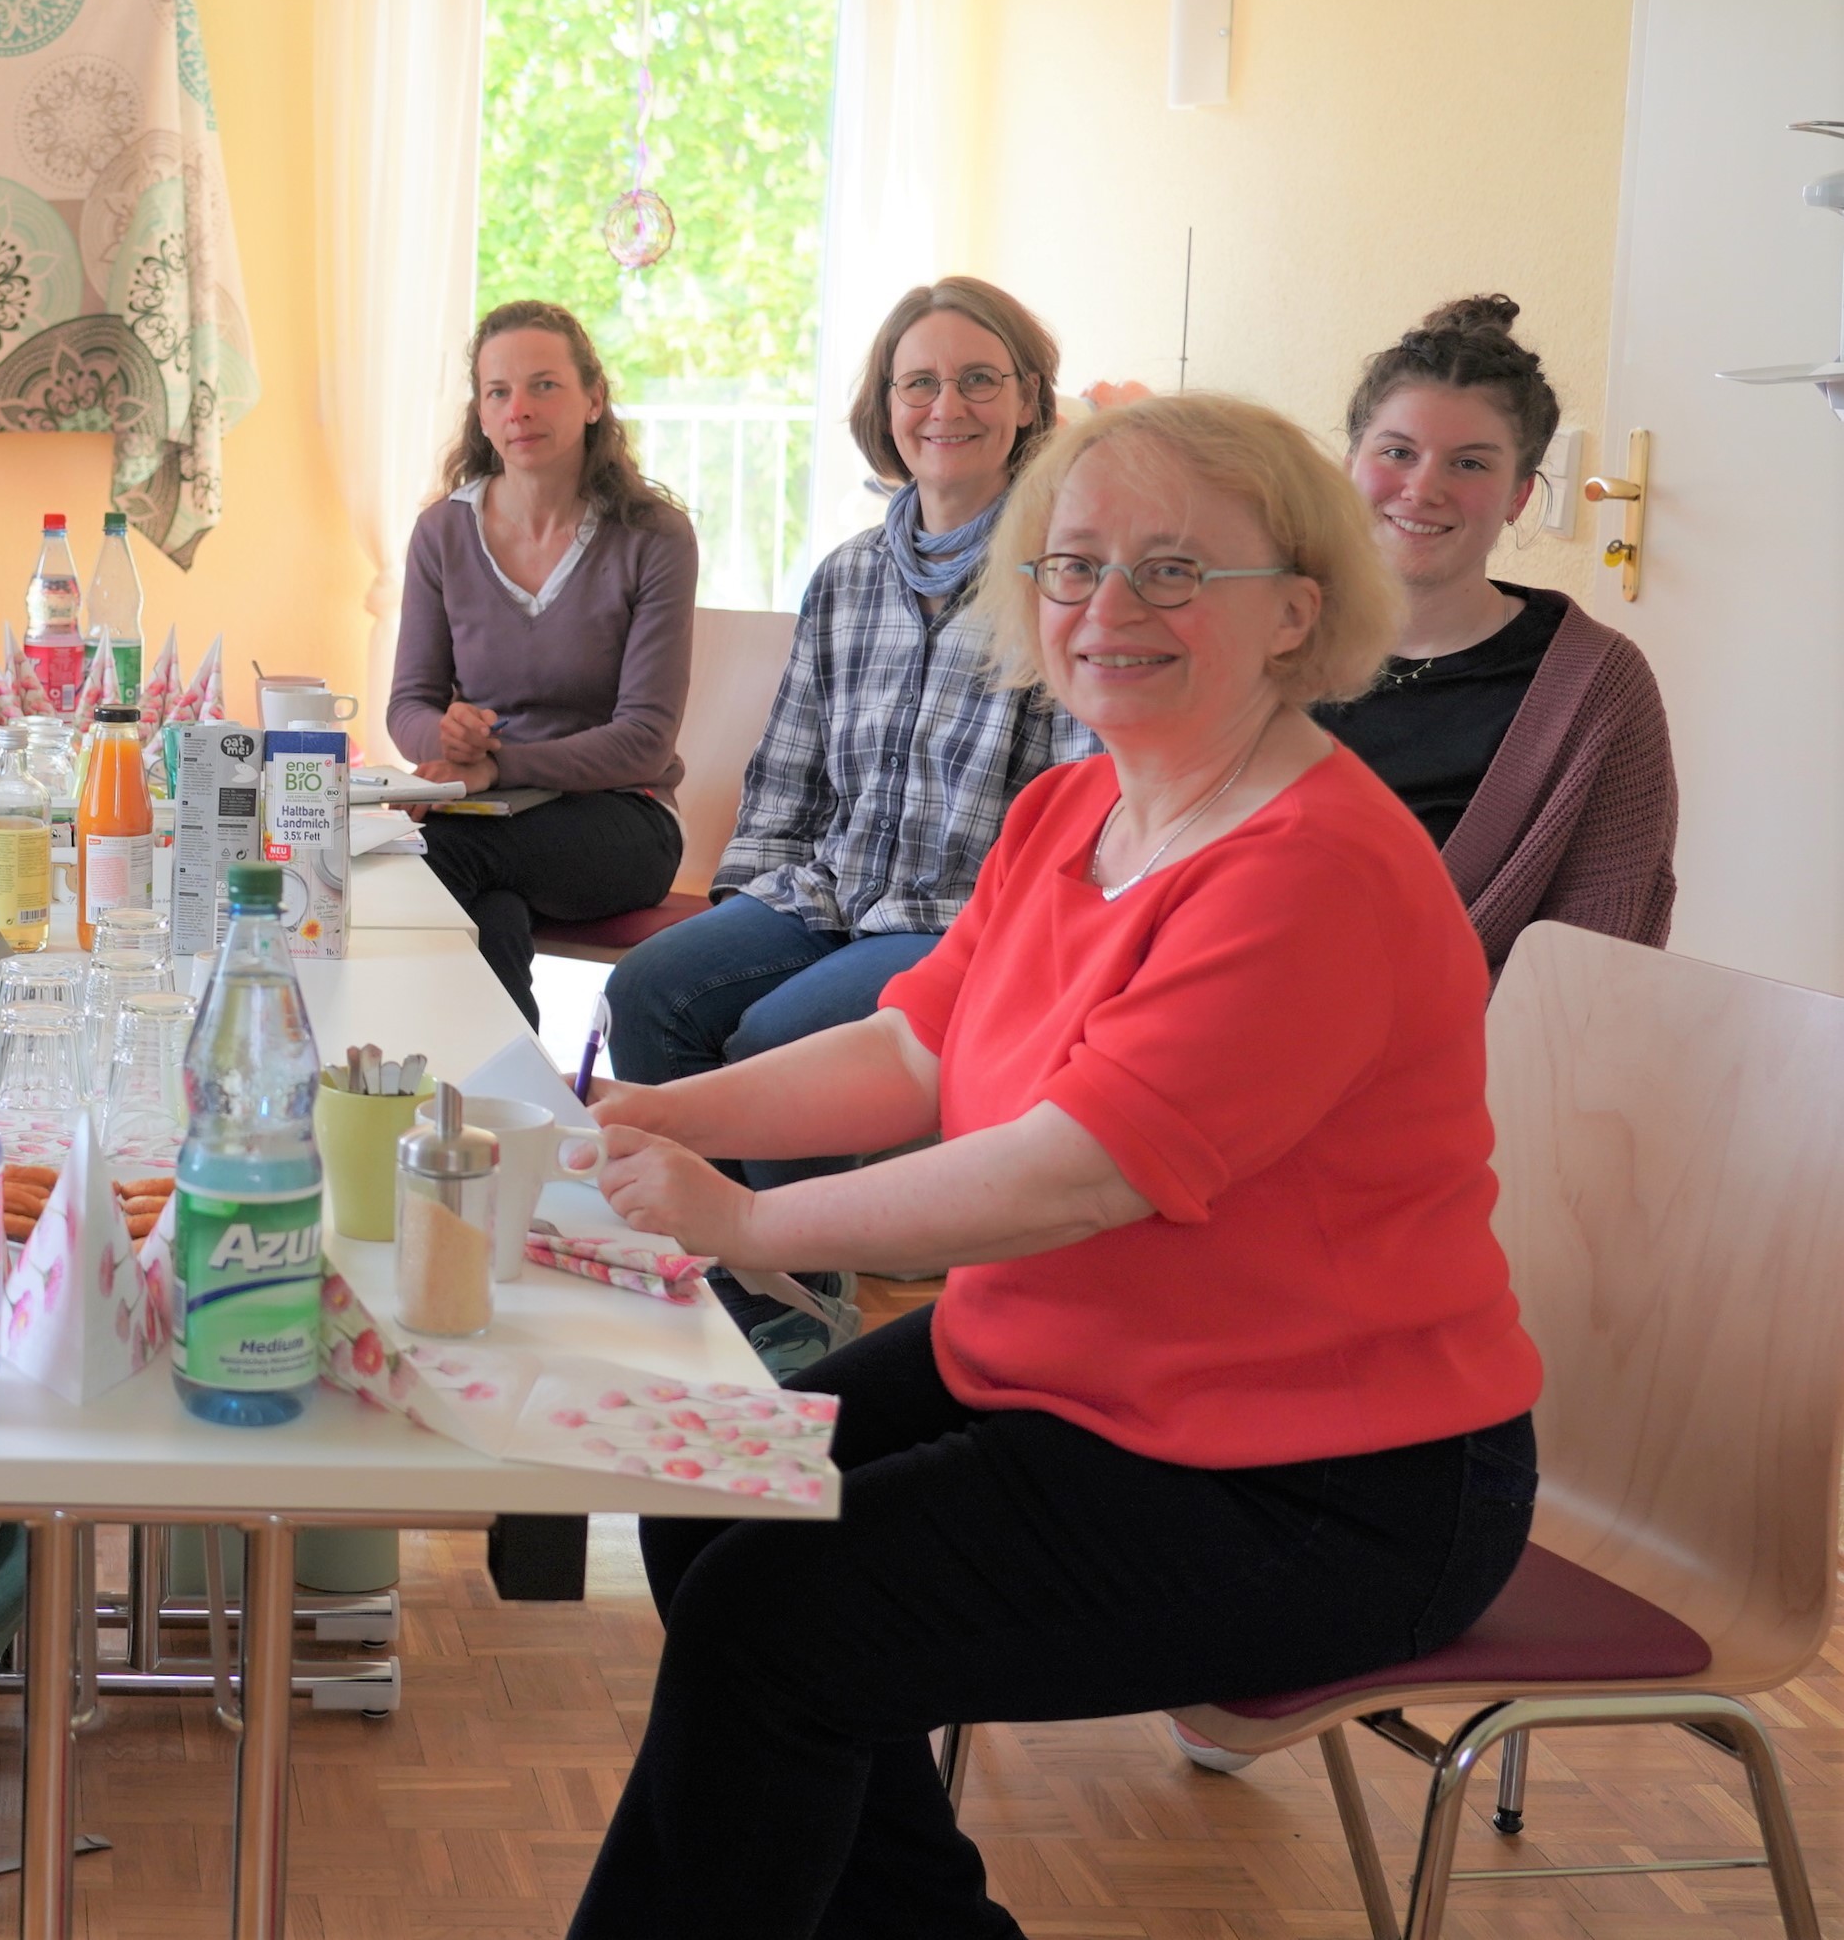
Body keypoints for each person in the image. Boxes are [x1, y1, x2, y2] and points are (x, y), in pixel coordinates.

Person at [563, 393, 1540, 1940]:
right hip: (1080, 1385)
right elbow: (917, 1051)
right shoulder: (1076, 801)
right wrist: (664, 1114)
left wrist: (748, 1212)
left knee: (775, 1618)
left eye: (1170, 571)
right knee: (707, 1485)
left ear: (1293, 610)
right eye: (1070, 565)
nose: (1103, 609)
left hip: (1316, 1474)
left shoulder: (1311, 870)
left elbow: (1076, 1171)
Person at [599, 279, 1094, 1368]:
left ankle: (802, 1307)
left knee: (786, 1032)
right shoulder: (847, 575)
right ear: (883, 405)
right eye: (916, 381)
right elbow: (787, 771)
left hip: (961, 918)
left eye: (977, 379)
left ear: (1025, 401)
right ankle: (716, 1276)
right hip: (830, 890)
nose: (943, 405)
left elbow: (1080, 804)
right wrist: (741, 920)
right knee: (651, 988)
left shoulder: (1062, 575)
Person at [1314, 294, 1676, 970]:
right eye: (1397, 451)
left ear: (1517, 495)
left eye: (1470, 463)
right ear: (1348, 464)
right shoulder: (1257, 638)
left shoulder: (1597, 684)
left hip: (1464, 1061)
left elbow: (1600, 955)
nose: (1422, 489)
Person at [386, 298, 698, 1023]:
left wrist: (499, 765)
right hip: (486, 816)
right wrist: (447, 739)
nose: (518, 407)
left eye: (543, 385)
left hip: (625, 819)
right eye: (498, 391)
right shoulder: (441, 532)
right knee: (487, 914)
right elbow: (408, 704)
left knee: (430, 852)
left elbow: (645, 739)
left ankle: (428, 1082)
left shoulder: (653, 535)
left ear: (592, 398)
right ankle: (503, 1110)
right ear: (481, 414)